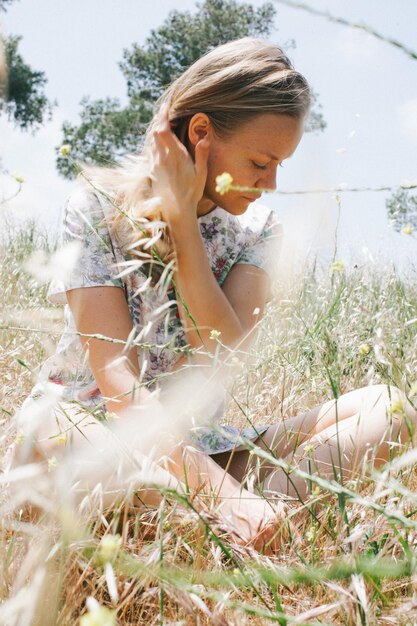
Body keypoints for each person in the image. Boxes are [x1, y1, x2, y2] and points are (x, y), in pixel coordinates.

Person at [14, 37, 417, 552]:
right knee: (71, 430)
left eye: (280, 165)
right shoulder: (96, 205)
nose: (270, 183)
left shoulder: (259, 233)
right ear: (202, 132)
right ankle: (233, 521)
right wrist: (228, 495)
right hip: (92, 433)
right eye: (259, 161)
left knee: (392, 409)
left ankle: (224, 530)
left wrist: (184, 228)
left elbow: (218, 353)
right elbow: (116, 381)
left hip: (201, 450)